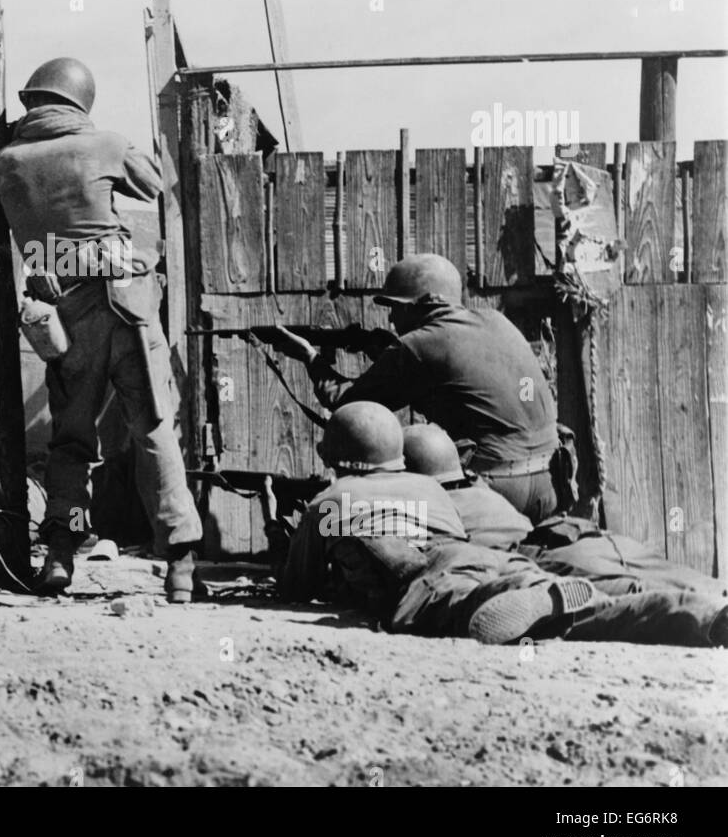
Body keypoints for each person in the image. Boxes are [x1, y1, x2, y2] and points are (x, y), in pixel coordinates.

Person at [0, 56, 203, 601]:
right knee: (153, 429)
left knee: (70, 441)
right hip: (127, 308)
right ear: (80, 104)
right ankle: (180, 566)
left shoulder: (5, 161)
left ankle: (60, 556)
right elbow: (153, 185)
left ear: (32, 101)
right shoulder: (104, 144)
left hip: (63, 317)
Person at [280, 403, 728, 647]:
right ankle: (699, 614)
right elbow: (447, 537)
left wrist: (284, 534)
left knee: (467, 600)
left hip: (428, 577)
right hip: (481, 555)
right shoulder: (428, 486)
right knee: (583, 598)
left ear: (334, 456)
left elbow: (297, 585)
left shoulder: (330, 502)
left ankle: (539, 597)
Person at [269, 253, 565, 523]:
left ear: (429, 302)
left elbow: (345, 402)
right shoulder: (496, 320)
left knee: (350, 521)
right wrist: (385, 352)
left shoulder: (419, 345)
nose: (391, 318)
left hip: (487, 491)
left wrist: (309, 358)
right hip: (552, 483)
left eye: (397, 307)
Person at [402, 423, 727, 601]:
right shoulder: (477, 485)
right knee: (683, 577)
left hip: (547, 558)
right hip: (575, 534)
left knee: (642, 594)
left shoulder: (428, 506)